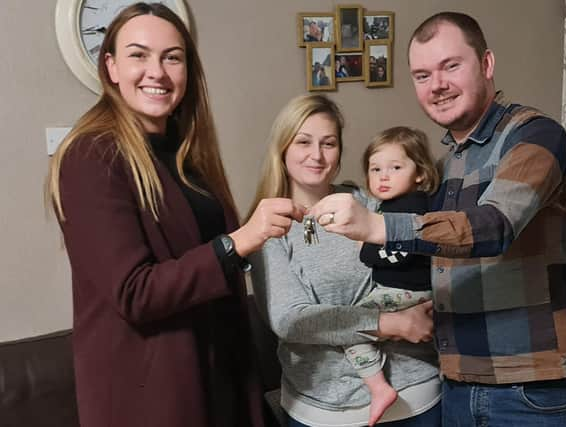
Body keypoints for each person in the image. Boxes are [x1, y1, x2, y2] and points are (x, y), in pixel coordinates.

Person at [310, 11, 566, 427]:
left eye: (451, 66)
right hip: (457, 384)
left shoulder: (534, 136)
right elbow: (443, 260)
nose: (437, 85)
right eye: (422, 75)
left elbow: (495, 224)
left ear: (486, 64)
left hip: (535, 391)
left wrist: (378, 229)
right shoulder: (447, 166)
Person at [45, 3, 304, 427]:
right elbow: (135, 292)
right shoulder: (91, 155)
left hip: (220, 379)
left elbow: (207, 271)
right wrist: (239, 241)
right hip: (154, 399)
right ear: (110, 66)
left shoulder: (187, 155)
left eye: (172, 57)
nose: (158, 72)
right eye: (138, 54)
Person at [248, 94, 442, 427]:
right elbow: (291, 320)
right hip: (325, 410)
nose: (317, 155)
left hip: (416, 397)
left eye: (329, 143)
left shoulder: (369, 201)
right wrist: (394, 324)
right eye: (304, 142)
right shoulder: (267, 227)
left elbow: (428, 253)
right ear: (283, 148)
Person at [344, 126, 441, 425]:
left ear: (420, 173)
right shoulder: (388, 206)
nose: (383, 176)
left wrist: (365, 247)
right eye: (375, 169)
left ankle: (378, 388)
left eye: (395, 167)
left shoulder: (412, 207)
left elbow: (400, 253)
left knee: (351, 329)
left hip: (407, 292)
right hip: (407, 292)